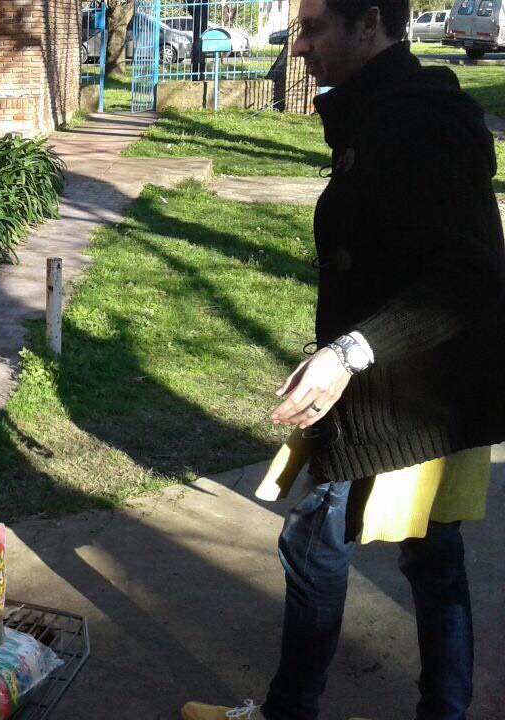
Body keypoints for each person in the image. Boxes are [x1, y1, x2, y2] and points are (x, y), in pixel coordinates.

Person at [183, 1, 505, 719]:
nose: (298, 48)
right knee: (429, 555)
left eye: (314, 28)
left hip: (404, 392)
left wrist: (347, 353)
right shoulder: (380, 111)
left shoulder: (412, 123)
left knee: (320, 546)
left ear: (371, 26)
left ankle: (288, 712)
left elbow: (469, 277)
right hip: (396, 380)